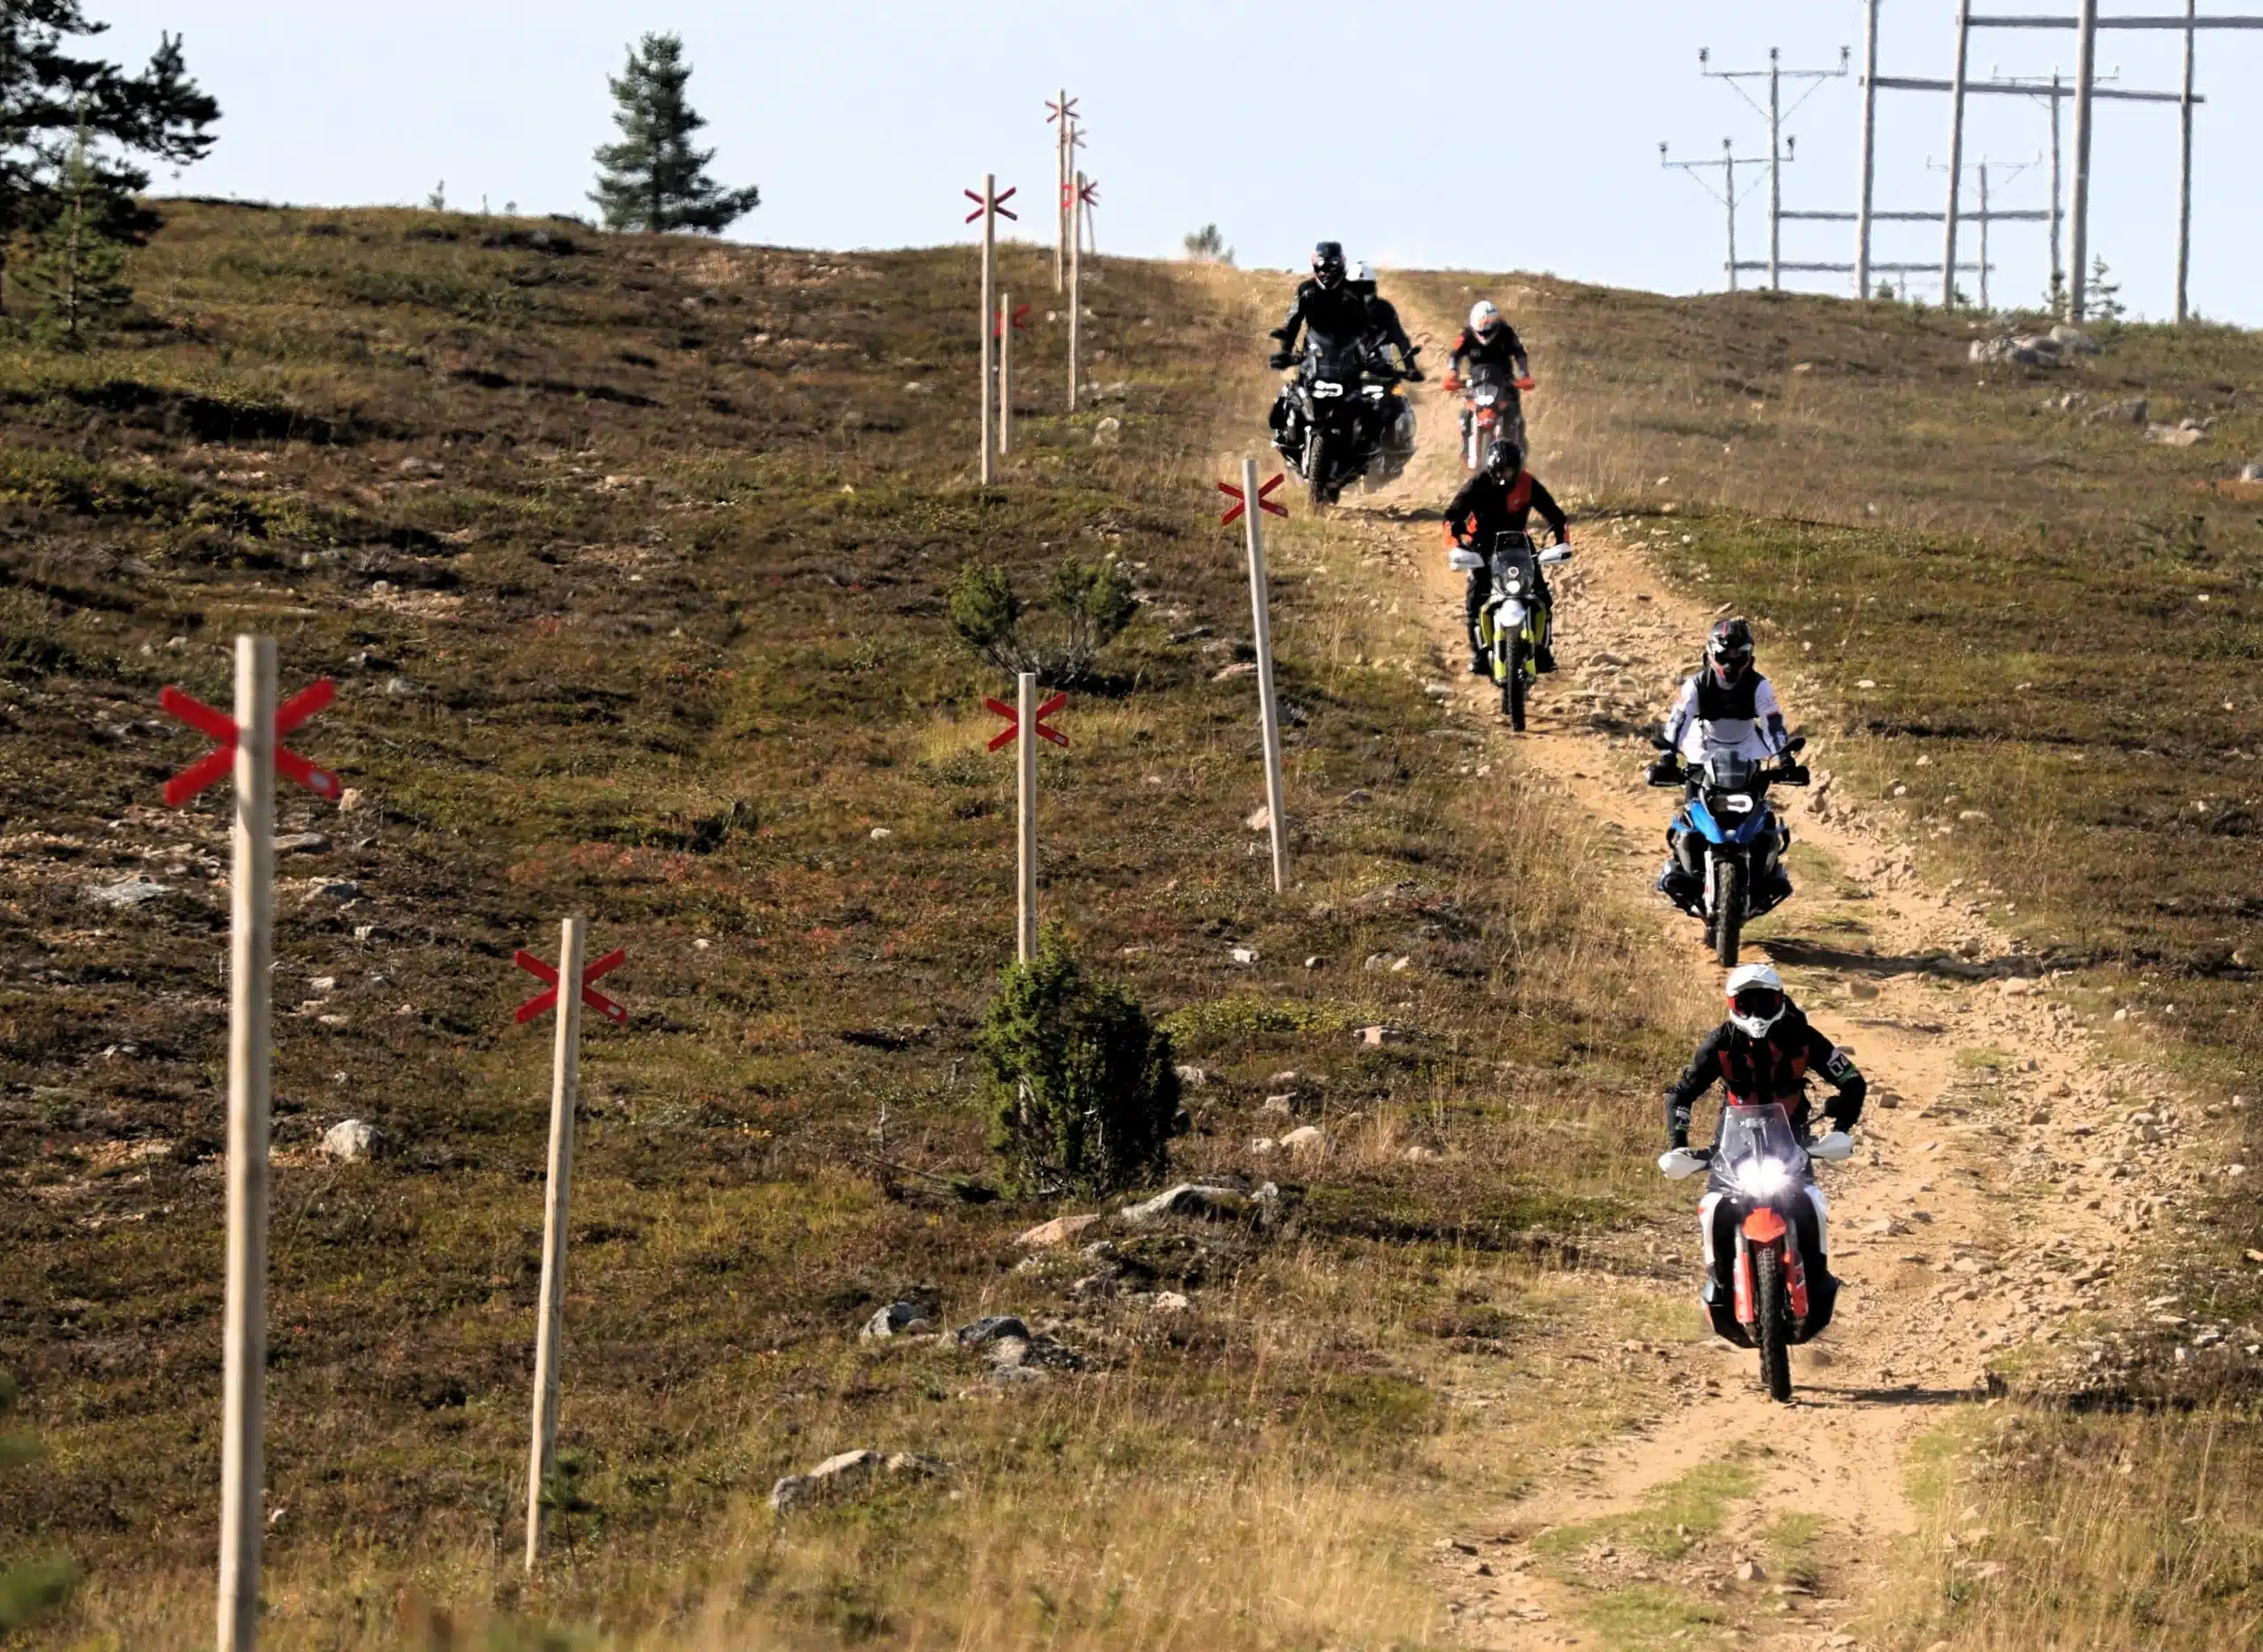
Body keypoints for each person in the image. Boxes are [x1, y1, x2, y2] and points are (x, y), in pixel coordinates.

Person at [1663, 963, 1865, 1341]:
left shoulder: (1804, 1037)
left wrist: (1839, 1131)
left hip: (1792, 1141)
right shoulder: (1719, 1042)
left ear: (1780, 1000)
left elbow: (1852, 1082)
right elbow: (1681, 1093)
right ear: (1731, 1005)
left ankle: (1817, 1277)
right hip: (1734, 1144)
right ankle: (1720, 1282)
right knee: (1714, 1209)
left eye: (1764, 1001)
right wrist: (1678, 1146)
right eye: (1745, 1004)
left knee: (1809, 1202)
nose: (1755, 1012)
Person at [1649, 618, 1795, 907]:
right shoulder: (1695, 685)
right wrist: (1667, 756)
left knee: (1760, 812)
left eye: (1737, 657)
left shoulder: (1760, 686)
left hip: (1747, 751)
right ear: (1710, 654)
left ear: (1749, 657)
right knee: (1691, 810)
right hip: (1703, 750)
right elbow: (1678, 721)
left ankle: (1763, 868)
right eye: (1723, 657)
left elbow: (1773, 723)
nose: (1730, 665)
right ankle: (1682, 865)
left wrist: (1785, 757)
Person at [1442, 438, 1569, 675]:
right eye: (1500, 469)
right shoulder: (1479, 483)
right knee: (1475, 597)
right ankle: (1479, 654)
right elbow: (1452, 515)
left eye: (1510, 469)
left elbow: (1555, 515)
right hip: (1483, 543)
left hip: (1518, 543)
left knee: (1541, 594)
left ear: (1519, 468)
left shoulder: (1528, 483)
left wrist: (1562, 543)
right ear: (1490, 468)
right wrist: (1457, 545)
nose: (1505, 475)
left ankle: (1542, 651)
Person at [1268, 240, 1372, 365]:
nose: (1326, 273)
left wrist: (1373, 355)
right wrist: (1285, 351)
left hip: (1349, 361)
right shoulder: (1306, 290)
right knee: (1291, 385)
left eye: (1331, 268)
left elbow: (1366, 323)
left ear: (1341, 265)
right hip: (1313, 359)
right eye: (1322, 268)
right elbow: (1293, 321)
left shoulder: (1354, 290)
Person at [1348, 260, 1421, 377]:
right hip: (1345, 371)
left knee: (1398, 395)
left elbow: (1401, 339)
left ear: (1373, 287)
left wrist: (1411, 368)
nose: (1361, 293)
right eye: (1356, 288)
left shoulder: (1385, 309)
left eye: (1365, 287)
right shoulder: (1338, 309)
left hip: (1382, 369)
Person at [1444, 299, 1532, 389]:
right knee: (1470, 402)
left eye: (1488, 322)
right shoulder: (1468, 334)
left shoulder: (1505, 331)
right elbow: (1455, 354)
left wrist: (1525, 375)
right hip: (1476, 381)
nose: (1484, 329)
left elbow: (1519, 352)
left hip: (1505, 381)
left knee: (1512, 398)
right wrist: (1452, 374)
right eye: (1481, 322)